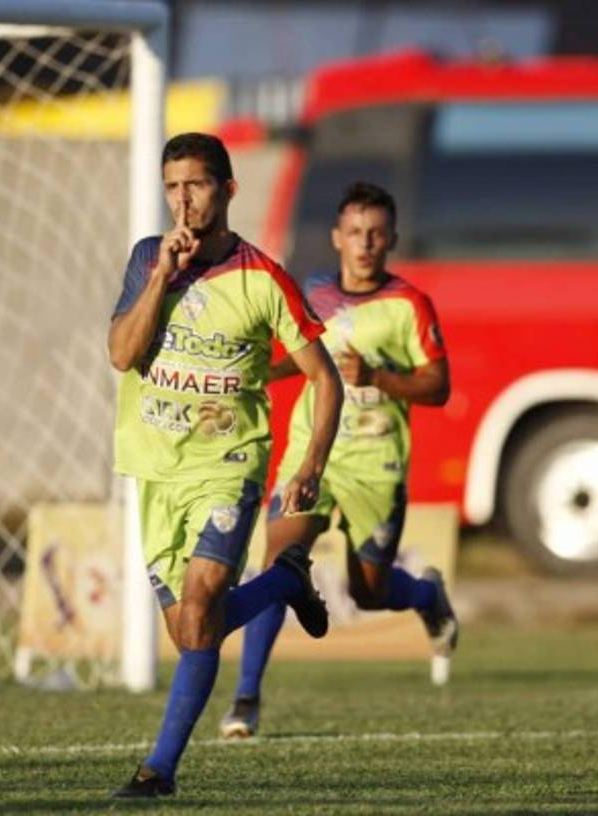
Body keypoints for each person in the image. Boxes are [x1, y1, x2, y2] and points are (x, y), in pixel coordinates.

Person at [107, 132, 343, 798]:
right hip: (155, 467)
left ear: (228, 190)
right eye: (173, 187)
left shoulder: (264, 279)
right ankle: (286, 579)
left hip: (228, 465)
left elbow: (324, 378)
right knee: (190, 632)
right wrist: (160, 279)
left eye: (198, 185)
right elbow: (122, 354)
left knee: (204, 604)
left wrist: (312, 465)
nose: (183, 200)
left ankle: (159, 771)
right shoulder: (149, 259)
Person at [219, 181, 459, 741]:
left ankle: (426, 595)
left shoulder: (409, 305)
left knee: (368, 592)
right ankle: (246, 696)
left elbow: (439, 386)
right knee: (278, 566)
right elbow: (296, 359)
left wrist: (377, 377)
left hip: (376, 467)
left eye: (376, 233)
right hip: (313, 455)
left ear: (392, 239)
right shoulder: (314, 294)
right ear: (337, 238)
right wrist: (249, 375)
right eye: (355, 232)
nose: (365, 243)